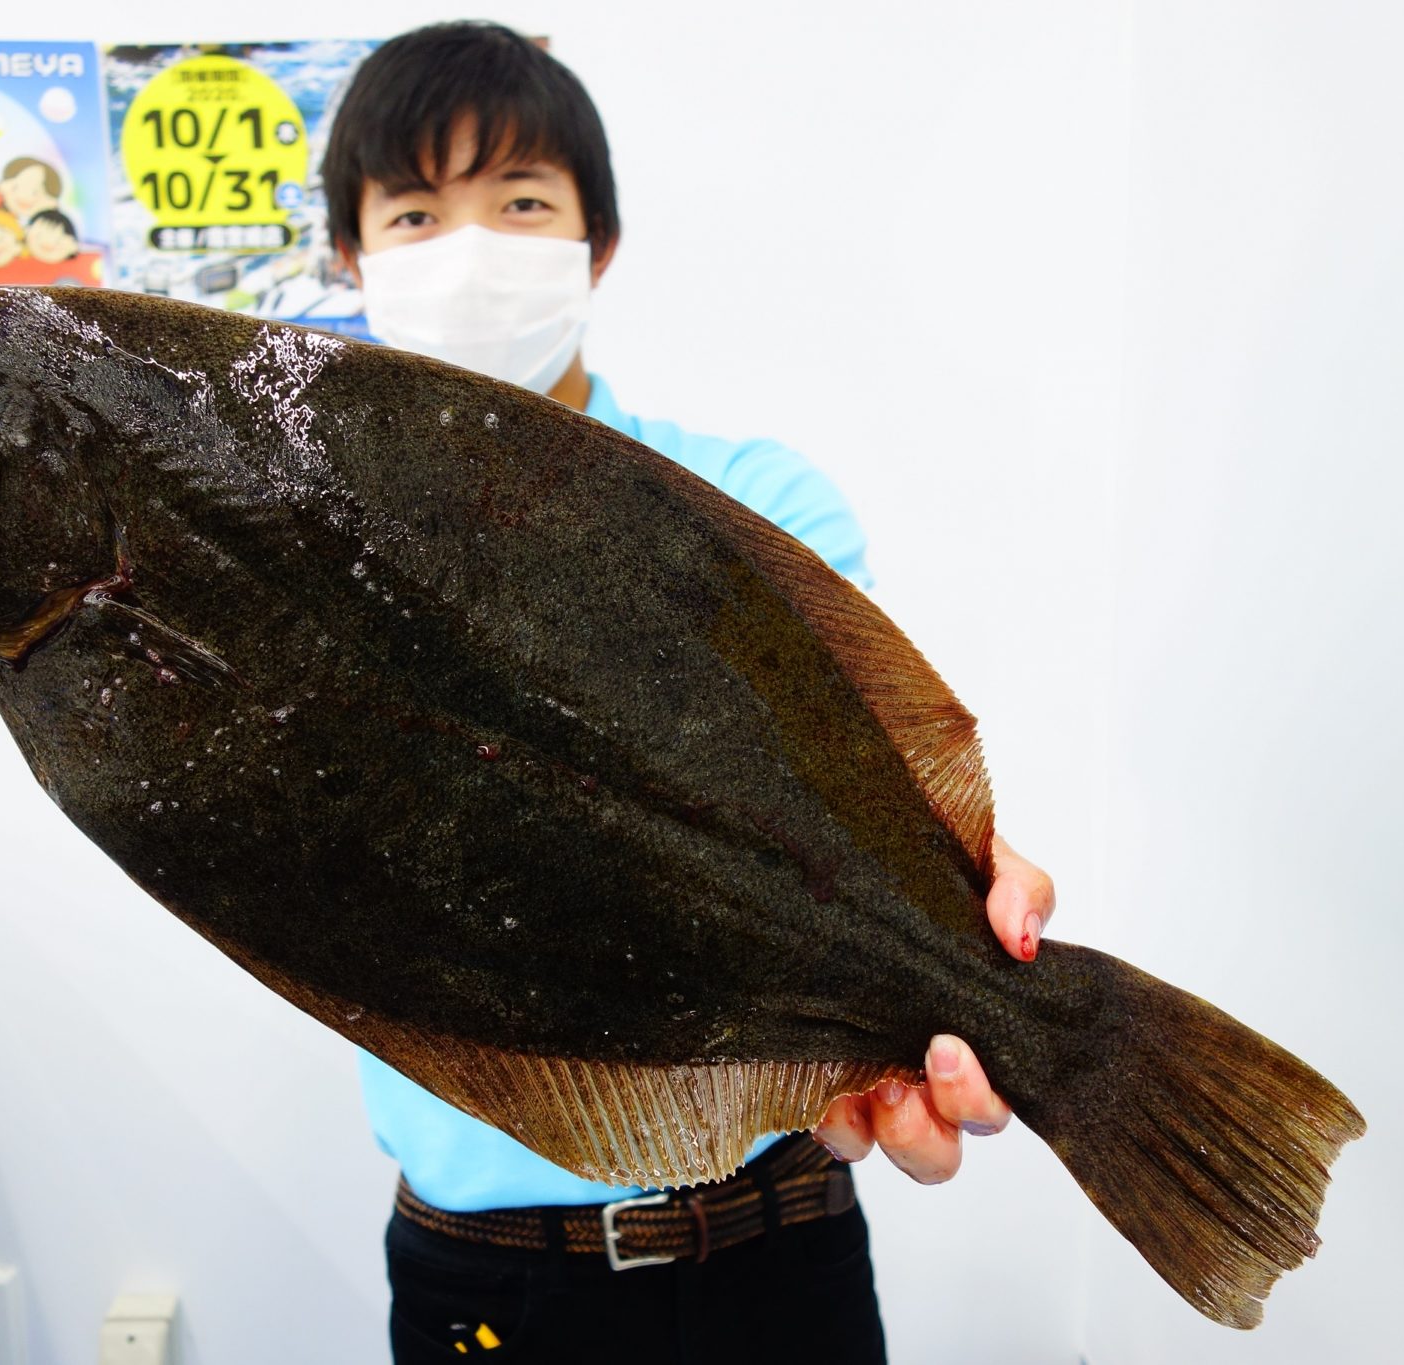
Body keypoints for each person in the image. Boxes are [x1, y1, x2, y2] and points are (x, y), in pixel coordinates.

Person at [323, 23, 1057, 1362]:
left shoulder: (756, 508)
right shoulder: (310, 549)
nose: (471, 248)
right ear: (350, 257)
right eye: (417, 212)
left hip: (773, 1242)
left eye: (521, 202)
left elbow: (851, 784)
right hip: (486, 1279)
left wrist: (948, 882)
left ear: (598, 247)